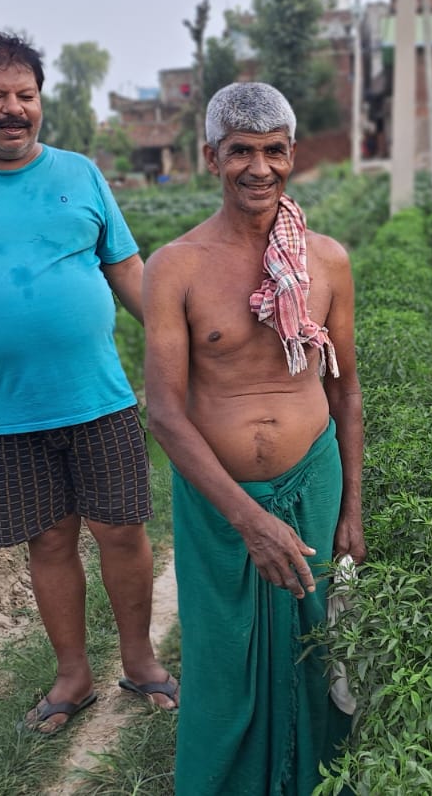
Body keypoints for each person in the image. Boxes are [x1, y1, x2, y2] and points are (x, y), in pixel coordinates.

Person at [0, 31, 178, 733]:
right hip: (3, 410)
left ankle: (139, 662)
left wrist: (186, 352)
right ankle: (72, 676)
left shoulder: (81, 175)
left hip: (97, 398)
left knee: (122, 533)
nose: (13, 109)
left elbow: (130, 273)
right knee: (46, 542)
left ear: (39, 101)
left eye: (26, 95)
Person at [142, 82, 365, 795]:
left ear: (292, 155)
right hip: (220, 506)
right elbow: (167, 413)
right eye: (241, 151)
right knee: (224, 659)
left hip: (314, 482)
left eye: (273, 151)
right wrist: (249, 520)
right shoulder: (175, 266)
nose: (259, 168)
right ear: (212, 157)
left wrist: (353, 507)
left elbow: (345, 389)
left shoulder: (325, 261)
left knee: (318, 649)